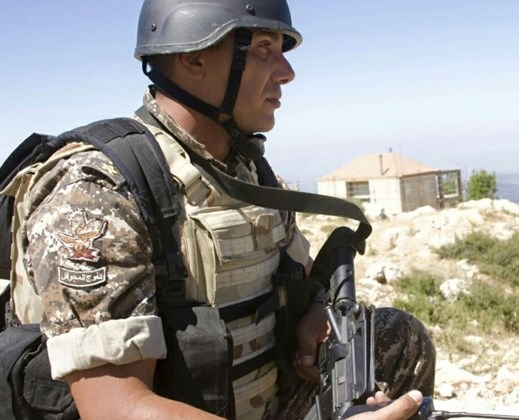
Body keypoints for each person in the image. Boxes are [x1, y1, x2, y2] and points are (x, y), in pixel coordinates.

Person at [8, 0, 436, 418]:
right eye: (264, 48)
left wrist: (314, 314)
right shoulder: (98, 188)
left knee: (398, 338)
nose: (287, 72)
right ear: (194, 58)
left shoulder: (247, 172)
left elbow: (297, 277)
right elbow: (115, 408)